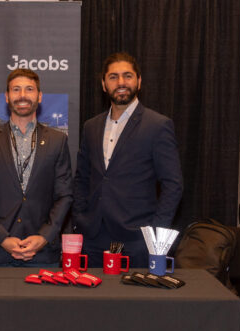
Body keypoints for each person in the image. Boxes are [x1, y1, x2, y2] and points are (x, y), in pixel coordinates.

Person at [73, 52, 183, 268]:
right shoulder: (91, 127)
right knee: (91, 300)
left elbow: (173, 184)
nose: (121, 82)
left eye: (127, 76)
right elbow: (82, 178)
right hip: (94, 238)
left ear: (139, 81)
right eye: (113, 77)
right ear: (104, 84)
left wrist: (154, 236)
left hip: (137, 241)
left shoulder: (158, 126)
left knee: (136, 302)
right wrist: (80, 218)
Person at [0, 69, 72, 266]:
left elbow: (64, 195)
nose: (23, 95)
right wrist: (2, 238)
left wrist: (44, 237)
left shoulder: (57, 141)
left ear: (39, 96)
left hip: (43, 252)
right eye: (16, 90)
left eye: (29, 89)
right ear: (7, 96)